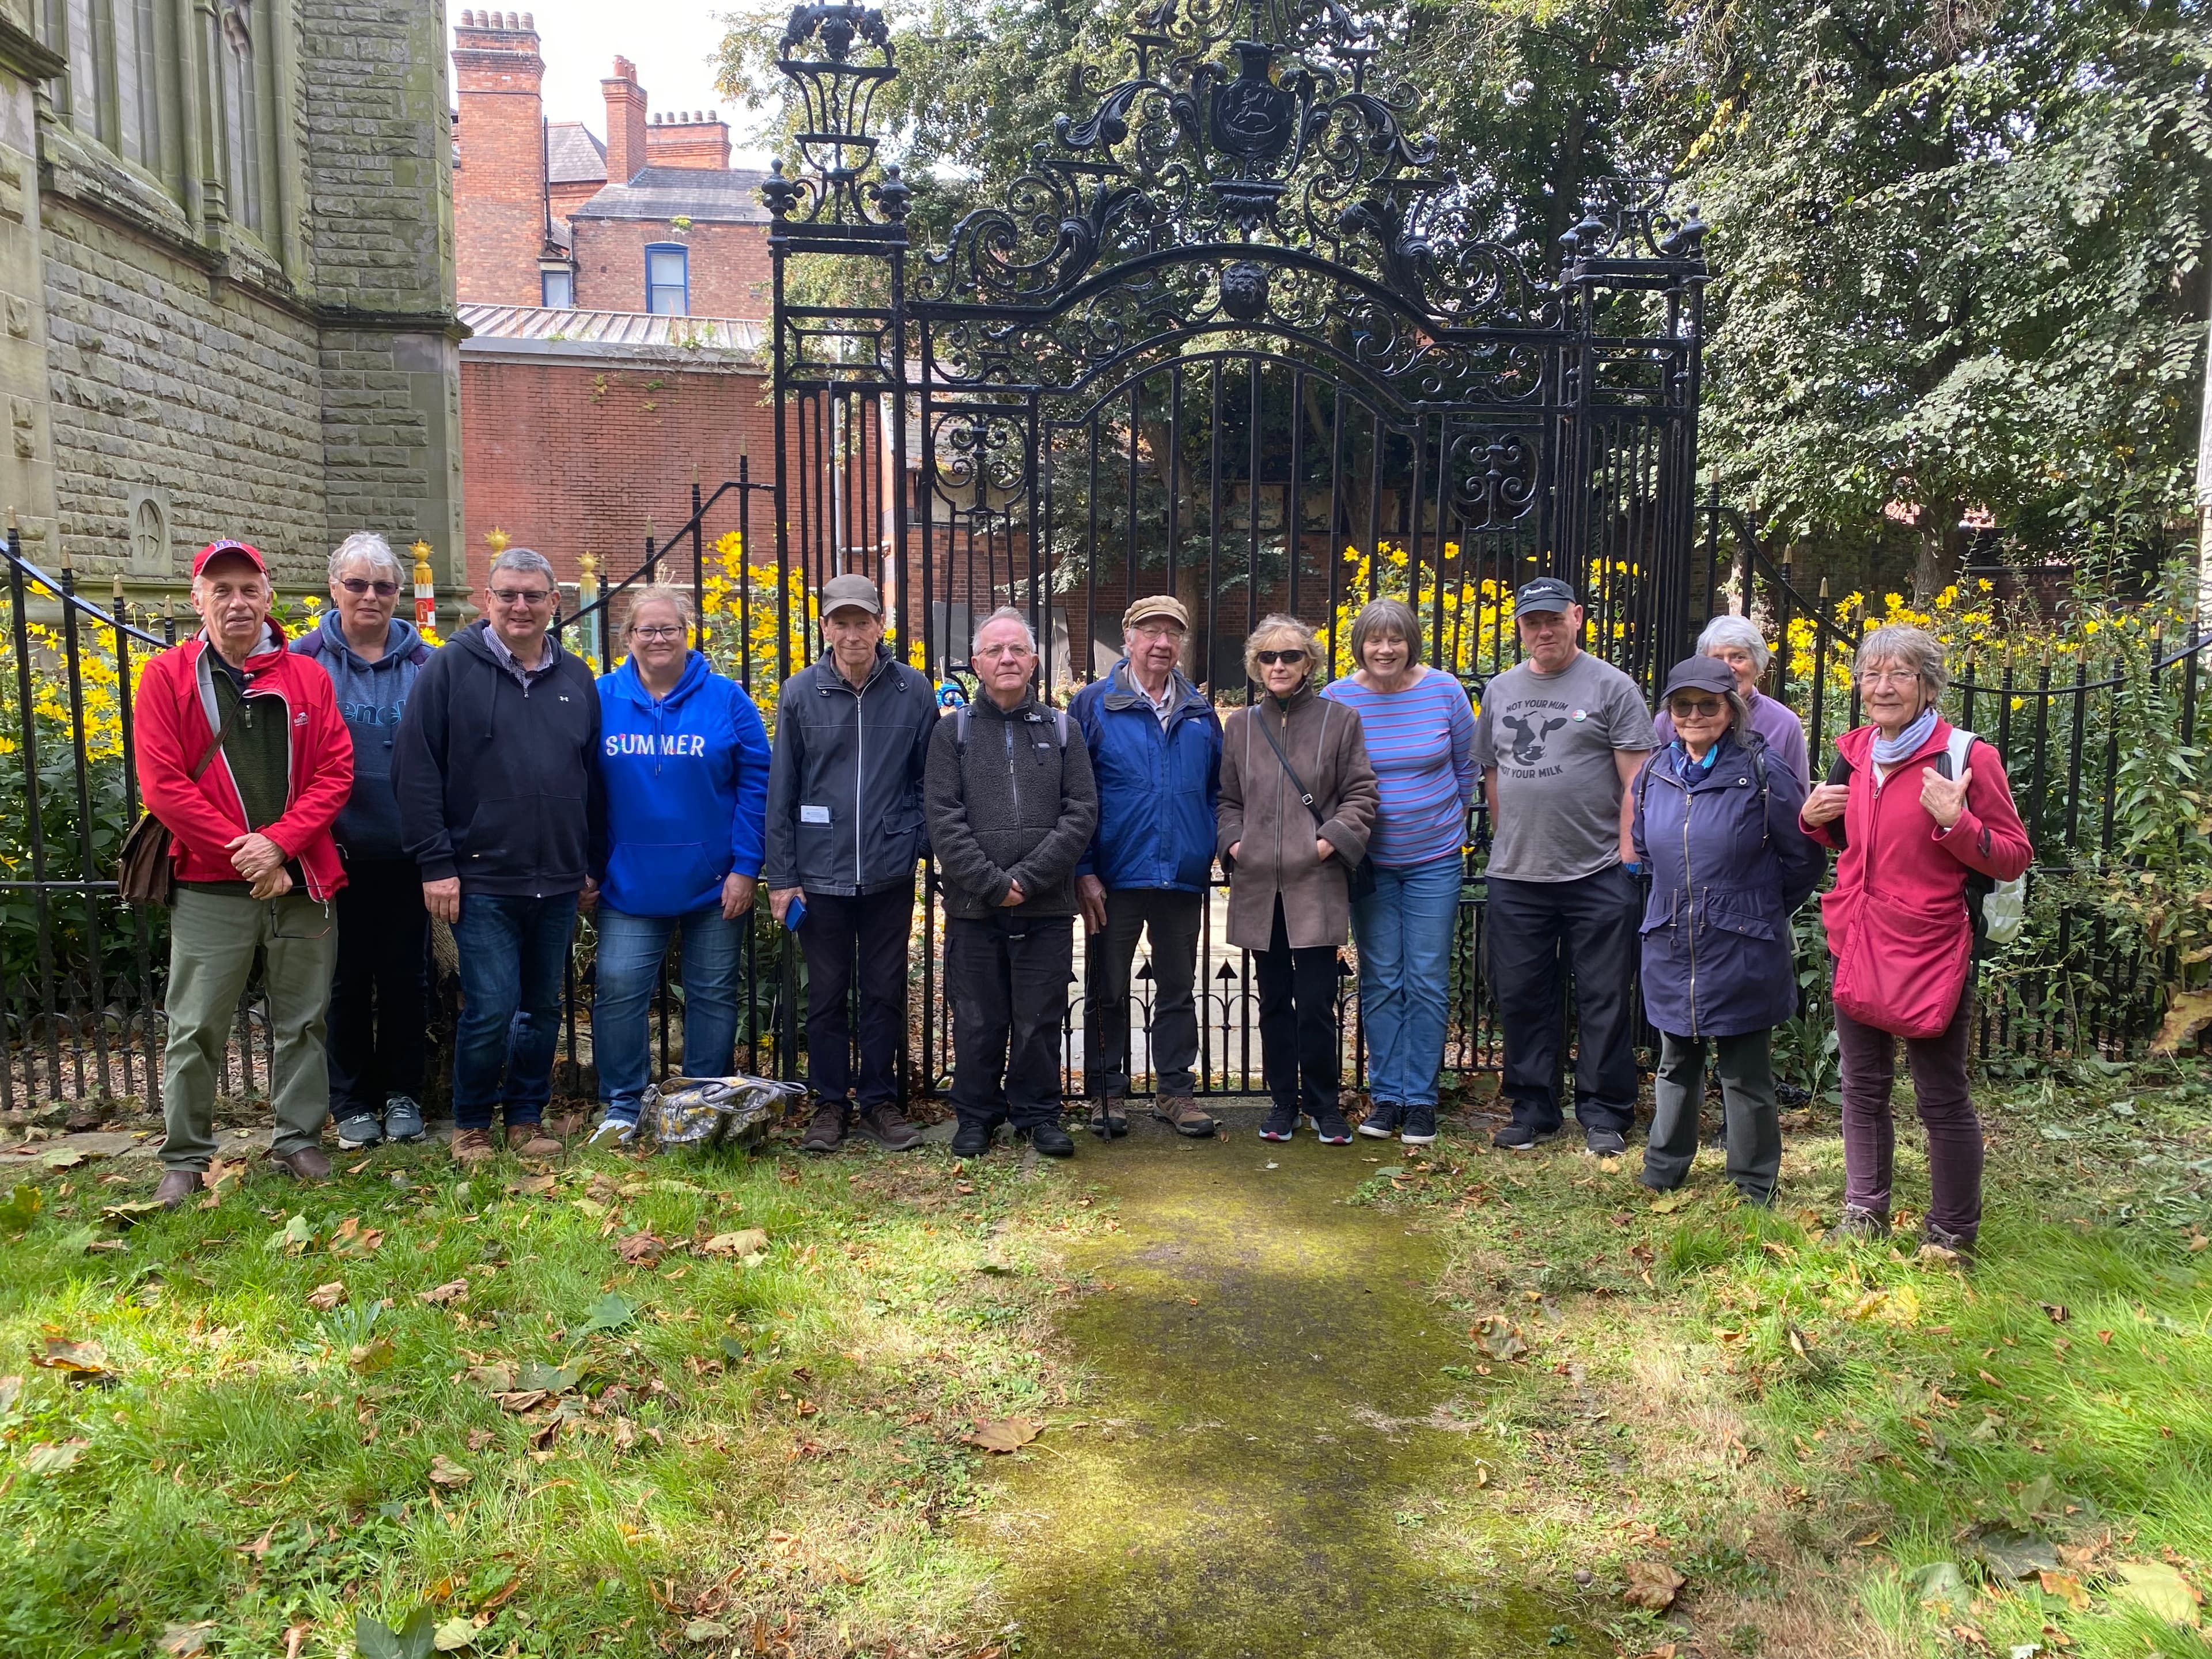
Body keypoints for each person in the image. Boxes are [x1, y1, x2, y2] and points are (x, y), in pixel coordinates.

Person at [1800, 623, 2031, 1259]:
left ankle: (1953, 1232)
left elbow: (2013, 857)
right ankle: (1864, 1213)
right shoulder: (1853, 752)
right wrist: (1811, 821)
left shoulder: (1966, 758)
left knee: (1941, 1093)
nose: (1883, 687)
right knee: (1862, 1085)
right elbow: (1849, 840)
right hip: (1859, 940)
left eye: (1899, 673)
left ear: (1928, 685)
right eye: (1872, 674)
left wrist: (1958, 823)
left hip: (1932, 948)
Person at [138, 540, 353, 1206]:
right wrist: (248, 850)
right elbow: (164, 786)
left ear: (269, 597)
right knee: (197, 1023)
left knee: (305, 1021)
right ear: (196, 599)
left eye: (248, 589)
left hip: (299, 880)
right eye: (221, 589)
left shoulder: (309, 678)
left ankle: (296, 1139)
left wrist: (282, 846)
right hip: (209, 882)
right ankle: (185, 1154)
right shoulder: (166, 677)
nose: (237, 602)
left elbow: (336, 771)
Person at [395, 546, 605, 1166]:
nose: (520, 606)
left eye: (533, 596)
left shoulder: (575, 678)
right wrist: (435, 863)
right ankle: (471, 1124)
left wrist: (590, 861)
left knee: (543, 1007)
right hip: (480, 876)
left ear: (553, 604)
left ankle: (525, 1116)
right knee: (490, 1006)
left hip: (559, 878)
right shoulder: (449, 670)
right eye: (508, 594)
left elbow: (592, 778)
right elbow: (416, 771)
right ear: (488, 601)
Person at [1469, 577, 1655, 1157]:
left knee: (1603, 995)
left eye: (1553, 619)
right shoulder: (1501, 689)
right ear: (1521, 627)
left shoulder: (1611, 686)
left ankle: (1604, 1112)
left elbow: (1638, 781)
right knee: (1523, 994)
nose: (1543, 631)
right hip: (1519, 874)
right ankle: (1533, 1108)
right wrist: (1507, 840)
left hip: (1597, 870)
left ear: (1576, 617)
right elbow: (1492, 771)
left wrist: (1628, 857)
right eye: (1532, 622)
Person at [1633, 656, 1823, 1204]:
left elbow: (1804, 857)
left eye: (1708, 705)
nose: (1694, 715)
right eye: (1682, 705)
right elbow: (1646, 848)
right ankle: (1664, 1167)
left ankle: (1753, 1180)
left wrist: (1758, 909)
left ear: (1731, 710)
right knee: (1675, 1062)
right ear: (1668, 713)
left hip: (1742, 942)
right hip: (1674, 938)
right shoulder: (1656, 771)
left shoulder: (1763, 771)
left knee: (1744, 1070)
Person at [587, 585, 771, 1146]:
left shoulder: (726, 699)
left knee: (712, 993)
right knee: (618, 988)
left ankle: (698, 1104)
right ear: (628, 638)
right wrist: (588, 866)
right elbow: (579, 789)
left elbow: (757, 784)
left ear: (688, 634)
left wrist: (746, 866)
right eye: (647, 629)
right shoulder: (600, 698)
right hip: (628, 882)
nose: (659, 638)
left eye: (670, 628)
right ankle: (623, 1107)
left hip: (715, 885)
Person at [764, 574, 935, 1154]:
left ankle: (881, 1102)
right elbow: (781, 792)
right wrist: (782, 878)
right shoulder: (799, 692)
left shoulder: (914, 691)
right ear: (825, 628)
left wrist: (917, 843)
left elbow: (928, 782)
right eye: (842, 622)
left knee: (885, 990)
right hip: (820, 874)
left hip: (888, 872)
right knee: (828, 995)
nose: (853, 633)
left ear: (881, 625)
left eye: (863, 621)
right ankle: (829, 1105)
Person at [927, 607, 1099, 1159]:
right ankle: (976, 1117)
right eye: (996, 650)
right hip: (976, 907)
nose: (1007, 659)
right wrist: (992, 883)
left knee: (1038, 1018)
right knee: (978, 1019)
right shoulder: (950, 731)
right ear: (977, 662)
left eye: (1018, 650)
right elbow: (942, 818)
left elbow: (1081, 812)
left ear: (1033, 660)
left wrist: (1027, 879)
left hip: (1045, 906)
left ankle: (1038, 1114)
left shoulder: (1063, 728)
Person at [292, 532, 433, 1152]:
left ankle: (404, 1095)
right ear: (334, 589)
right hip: (331, 853)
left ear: (398, 594)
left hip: (406, 852)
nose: (370, 596)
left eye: (383, 586)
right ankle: (349, 1102)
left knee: (407, 981)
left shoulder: (429, 667)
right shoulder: (302, 661)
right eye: (357, 584)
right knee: (342, 983)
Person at [1321, 597, 1477, 1146]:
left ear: (1411, 641)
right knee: (1382, 977)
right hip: (1368, 864)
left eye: (1396, 639)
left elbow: (1466, 766)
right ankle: (1387, 1098)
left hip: (1434, 859)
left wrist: (1447, 819)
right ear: (1360, 643)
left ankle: (1422, 1101)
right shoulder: (1338, 697)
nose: (1385, 649)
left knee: (1428, 978)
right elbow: (1322, 772)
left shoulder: (1445, 691)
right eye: (1374, 639)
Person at [1218, 613, 1378, 1145]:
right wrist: (1237, 844)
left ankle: (1325, 1104)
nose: (1279, 666)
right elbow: (1228, 801)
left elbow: (1361, 794)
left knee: (1315, 1004)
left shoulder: (1341, 720)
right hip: (1261, 885)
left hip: (1317, 882)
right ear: (1255, 666)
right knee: (1271, 1003)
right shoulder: (1240, 726)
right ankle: (1282, 1102)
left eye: (1290, 656)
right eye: (1268, 657)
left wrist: (1328, 842)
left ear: (1309, 662)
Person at [1070, 594, 1224, 1140]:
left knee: (1178, 987)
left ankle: (1176, 1092)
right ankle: (1106, 1092)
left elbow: (1215, 789)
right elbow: (1075, 794)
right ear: (1128, 638)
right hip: (1113, 875)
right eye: (1151, 632)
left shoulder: (1201, 710)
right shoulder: (1093, 704)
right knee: (1107, 988)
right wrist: (1083, 868)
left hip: (1180, 875)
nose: (1162, 643)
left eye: (1172, 634)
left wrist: (1204, 843)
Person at [1652, 614, 1809, 786]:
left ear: (1758, 664)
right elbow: (1650, 787)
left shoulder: (1783, 723)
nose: (1727, 668)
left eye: (1738, 657)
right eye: (1717, 659)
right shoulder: (1671, 720)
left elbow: (1797, 799)